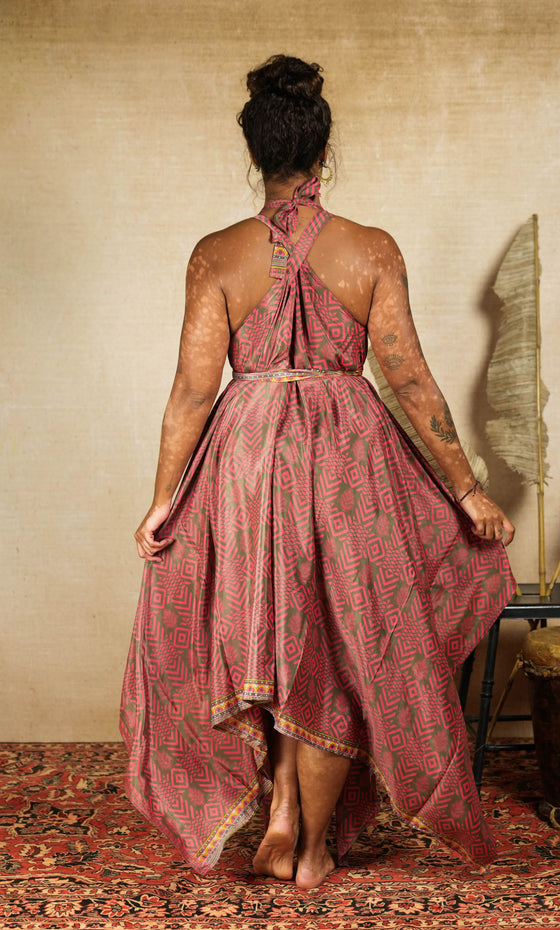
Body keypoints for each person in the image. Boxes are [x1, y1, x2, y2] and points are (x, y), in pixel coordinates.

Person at [120, 54, 515, 891]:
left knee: (265, 630)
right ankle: (311, 846)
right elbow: (410, 381)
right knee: (338, 646)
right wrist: (467, 489)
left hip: (246, 455)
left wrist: (163, 500)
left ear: (256, 155)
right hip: (347, 455)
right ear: (323, 153)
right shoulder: (370, 249)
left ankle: (279, 813)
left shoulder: (214, 256)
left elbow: (192, 390)